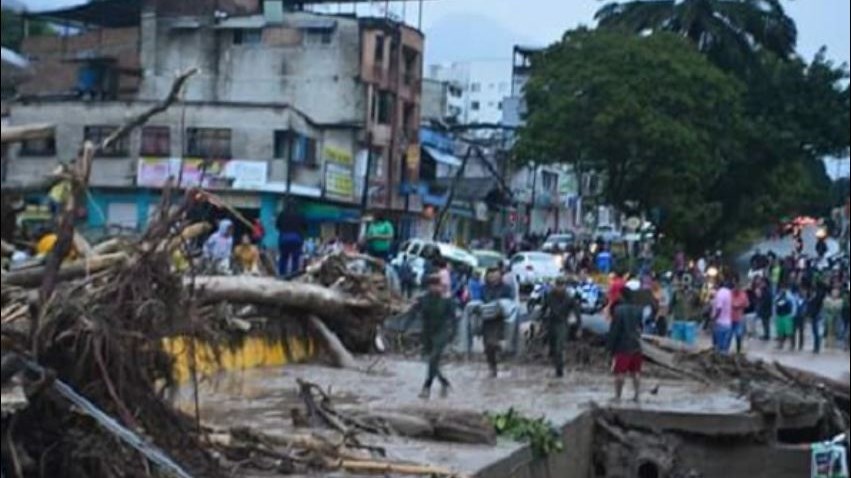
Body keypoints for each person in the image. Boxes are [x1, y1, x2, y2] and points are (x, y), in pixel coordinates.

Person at [406, 276, 455, 400]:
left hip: (442, 333)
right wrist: (406, 328)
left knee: (433, 358)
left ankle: (426, 387)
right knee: (432, 362)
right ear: (428, 287)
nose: (435, 288)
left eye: (437, 285)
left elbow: (454, 318)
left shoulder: (447, 300)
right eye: (432, 285)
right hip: (427, 334)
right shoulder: (423, 300)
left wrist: (452, 334)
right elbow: (412, 314)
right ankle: (444, 383)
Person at [607, 283, 644, 403]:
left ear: (622, 296)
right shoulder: (638, 309)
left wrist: (610, 347)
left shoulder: (618, 310)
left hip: (623, 345)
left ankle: (618, 396)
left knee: (620, 373)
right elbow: (641, 327)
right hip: (636, 344)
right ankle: (637, 395)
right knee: (636, 372)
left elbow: (614, 330)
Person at [541, 277, 580, 378]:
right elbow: (543, 309)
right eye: (558, 285)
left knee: (559, 348)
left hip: (562, 323)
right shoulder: (549, 296)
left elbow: (577, 313)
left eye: (562, 285)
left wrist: (579, 328)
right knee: (553, 348)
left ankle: (560, 371)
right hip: (551, 323)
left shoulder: (569, 298)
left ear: (565, 286)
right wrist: (541, 322)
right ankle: (556, 366)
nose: (559, 288)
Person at [481, 268, 514, 378]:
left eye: (495, 275)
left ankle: (503, 358)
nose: (493, 278)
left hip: (500, 320)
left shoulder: (506, 288)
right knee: (487, 346)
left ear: (500, 276)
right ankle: (492, 367)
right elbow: (478, 301)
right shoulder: (483, 288)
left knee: (495, 342)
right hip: (486, 320)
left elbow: (510, 302)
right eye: (490, 276)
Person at [276, 207, 307, 277]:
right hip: (296, 238)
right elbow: (305, 227)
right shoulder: (300, 214)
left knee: (283, 257)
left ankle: (282, 274)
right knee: (295, 258)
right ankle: (293, 275)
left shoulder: (282, 214)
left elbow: (277, 225)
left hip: (284, 238)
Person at [711, 280, 734, 354]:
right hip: (728, 323)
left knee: (718, 346)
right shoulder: (729, 293)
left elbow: (719, 308)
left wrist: (714, 318)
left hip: (720, 323)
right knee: (725, 348)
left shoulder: (720, 293)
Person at [774, 283, 798, 350]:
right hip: (779, 316)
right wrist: (775, 315)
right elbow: (775, 305)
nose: (782, 290)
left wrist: (792, 314)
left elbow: (794, 305)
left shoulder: (790, 297)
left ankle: (792, 345)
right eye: (781, 288)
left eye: (783, 288)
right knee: (780, 331)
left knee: (789, 331)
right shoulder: (778, 296)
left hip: (787, 315)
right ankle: (780, 344)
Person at [731, 278, 751, 354]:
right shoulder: (730, 293)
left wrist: (739, 306)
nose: (736, 288)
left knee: (738, 335)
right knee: (728, 336)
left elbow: (747, 304)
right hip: (730, 318)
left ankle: (738, 350)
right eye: (735, 287)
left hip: (739, 318)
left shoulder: (743, 294)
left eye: (738, 287)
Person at [755, 277, 774, 341]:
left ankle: (767, 335)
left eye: (762, 282)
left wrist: (760, 297)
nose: (761, 284)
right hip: (764, 309)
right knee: (764, 322)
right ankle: (766, 334)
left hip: (766, 309)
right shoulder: (763, 290)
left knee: (766, 322)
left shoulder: (767, 290)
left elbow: (766, 300)